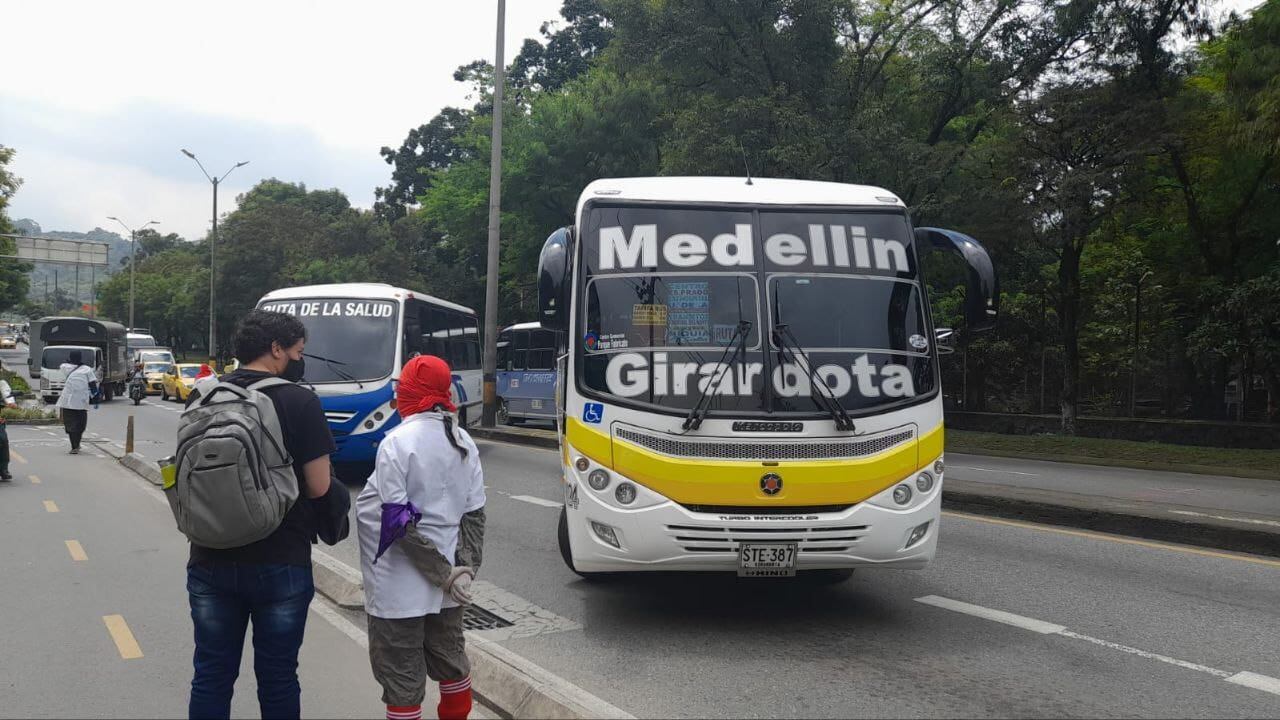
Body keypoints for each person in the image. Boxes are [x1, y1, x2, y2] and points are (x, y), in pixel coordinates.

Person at [182, 310, 348, 720]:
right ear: (277, 349)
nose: (298, 359)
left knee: (211, 675)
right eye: (297, 351)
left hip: (209, 555)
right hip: (280, 560)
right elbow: (319, 486)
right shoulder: (299, 400)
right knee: (277, 677)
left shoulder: (203, 395)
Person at [357, 355, 486, 720]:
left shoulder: (396, 442)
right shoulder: (464, 440)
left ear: (408, 392)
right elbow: (475, 516)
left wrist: (445, 573)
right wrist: (464, 569)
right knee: (452, 663)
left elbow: (397, 522)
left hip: (399, 584)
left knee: (401, 677)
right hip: (450, 584)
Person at [55, 350, 98, 454]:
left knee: (70, 425)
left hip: (67, 402)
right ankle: (76, 445)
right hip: (81, 402)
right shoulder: (87, 369)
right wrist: (96, 399)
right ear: (80, 357)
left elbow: (63, 364)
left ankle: (74, 446)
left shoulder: (64, 367)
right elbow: (93, 385)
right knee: (80, 425)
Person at [0, 361, 16, 480]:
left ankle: (3, 469)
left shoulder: (2, 383)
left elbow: (8, 395)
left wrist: (11, 403)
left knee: (3, 440)